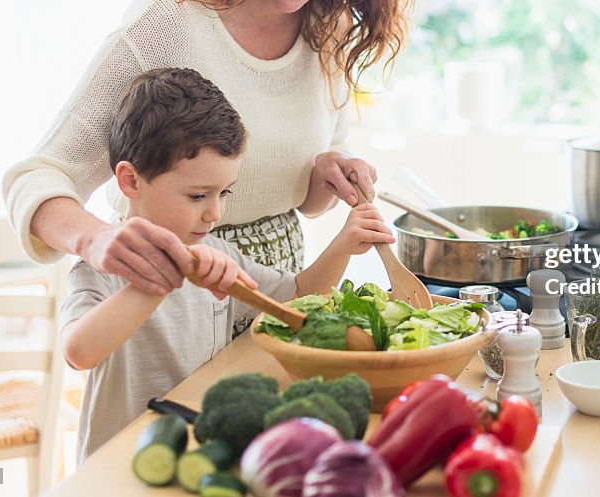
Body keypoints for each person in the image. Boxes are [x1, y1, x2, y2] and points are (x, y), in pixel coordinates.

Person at [2, 0, 418, 294]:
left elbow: (307, 204)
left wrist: (327, 169)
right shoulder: (169, 21)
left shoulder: (328, 27)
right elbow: (37, 178)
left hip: (279, 297)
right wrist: (96, 239)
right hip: (169, 295)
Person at [60, 67, 395, 462]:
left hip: (200, 452)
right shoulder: (99, 270)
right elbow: (79, 352)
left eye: (224, 193)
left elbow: (298, 298)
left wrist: (344, 243)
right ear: (131, 181)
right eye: (198, 195)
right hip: (120, 463)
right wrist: (162, 278)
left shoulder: (220, 254)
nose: (215, 213)